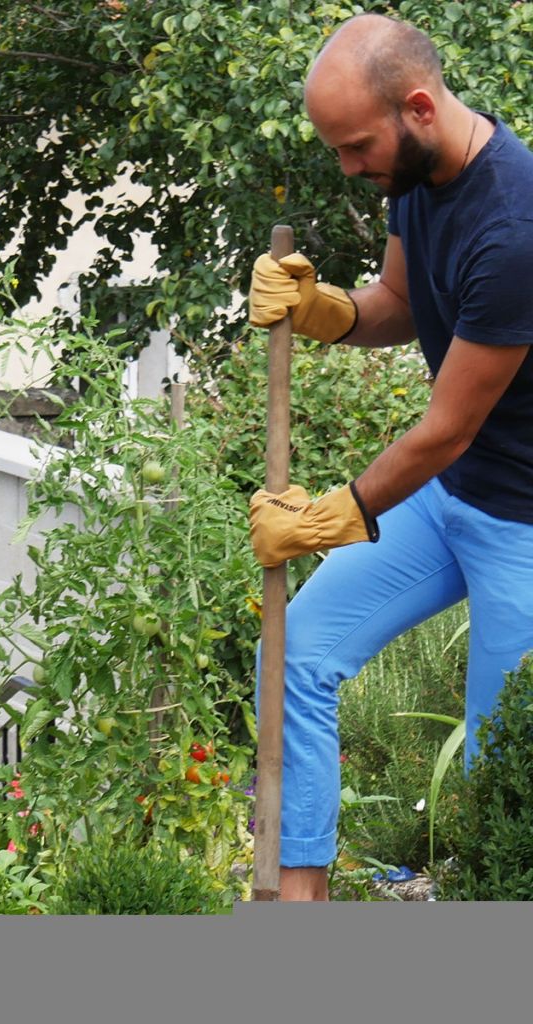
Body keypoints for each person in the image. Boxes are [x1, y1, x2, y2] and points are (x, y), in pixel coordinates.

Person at [246, 13, 533, 900]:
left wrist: (333, 517)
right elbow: (402, 301)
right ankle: (300, 903)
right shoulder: (415, 174)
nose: (348, 166)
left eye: (356, 146)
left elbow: (446, 424)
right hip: (454, 497)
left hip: (525, 523)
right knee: (295, 654)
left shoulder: (518, 228)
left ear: (416, 108)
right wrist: (328, 310)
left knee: (502, 771)